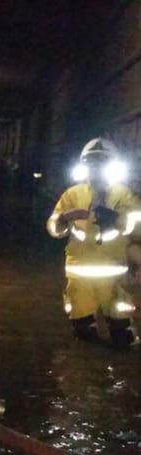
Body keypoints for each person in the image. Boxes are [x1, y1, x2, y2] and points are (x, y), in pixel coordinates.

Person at [46, 137, 141, 346]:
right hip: (80, 275)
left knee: (122, 336)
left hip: (114, 275)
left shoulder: (123, 194)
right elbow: (53, 227)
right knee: (83, 336)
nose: (96, 168)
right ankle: (88, 374)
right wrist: (63, 218)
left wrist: (117, 218)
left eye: (102, 162)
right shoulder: (73, 194)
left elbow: (137, 223)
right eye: (92, 163)